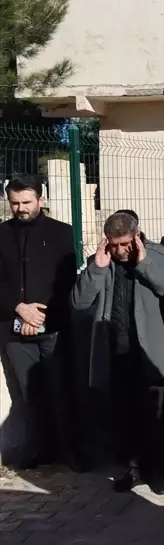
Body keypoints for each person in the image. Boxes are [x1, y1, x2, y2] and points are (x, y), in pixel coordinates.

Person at [71, 211, 164, 493]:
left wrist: (143, 265)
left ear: (137, 235)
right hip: (117, 354)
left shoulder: (159, 255)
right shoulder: (103, 261)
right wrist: (96, 268)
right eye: (114, 244)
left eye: (125, 244)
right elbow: (80, 302)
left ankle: (160, 474)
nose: (119, 251)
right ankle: (133, 469)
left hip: (151, 353)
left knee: (156, 420)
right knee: (126, 418)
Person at [0, 176, 80, 470]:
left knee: (61, 391)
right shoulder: (2, 234)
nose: (20, 208)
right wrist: (19, 308)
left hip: (53, 327)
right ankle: (41, 449)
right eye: (15, 203)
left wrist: (40, 317)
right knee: (30, 395)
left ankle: (71, 452)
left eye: (26, 202)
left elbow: (66, 282)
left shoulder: (62, 233)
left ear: (41, 200)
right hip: (13, 330)